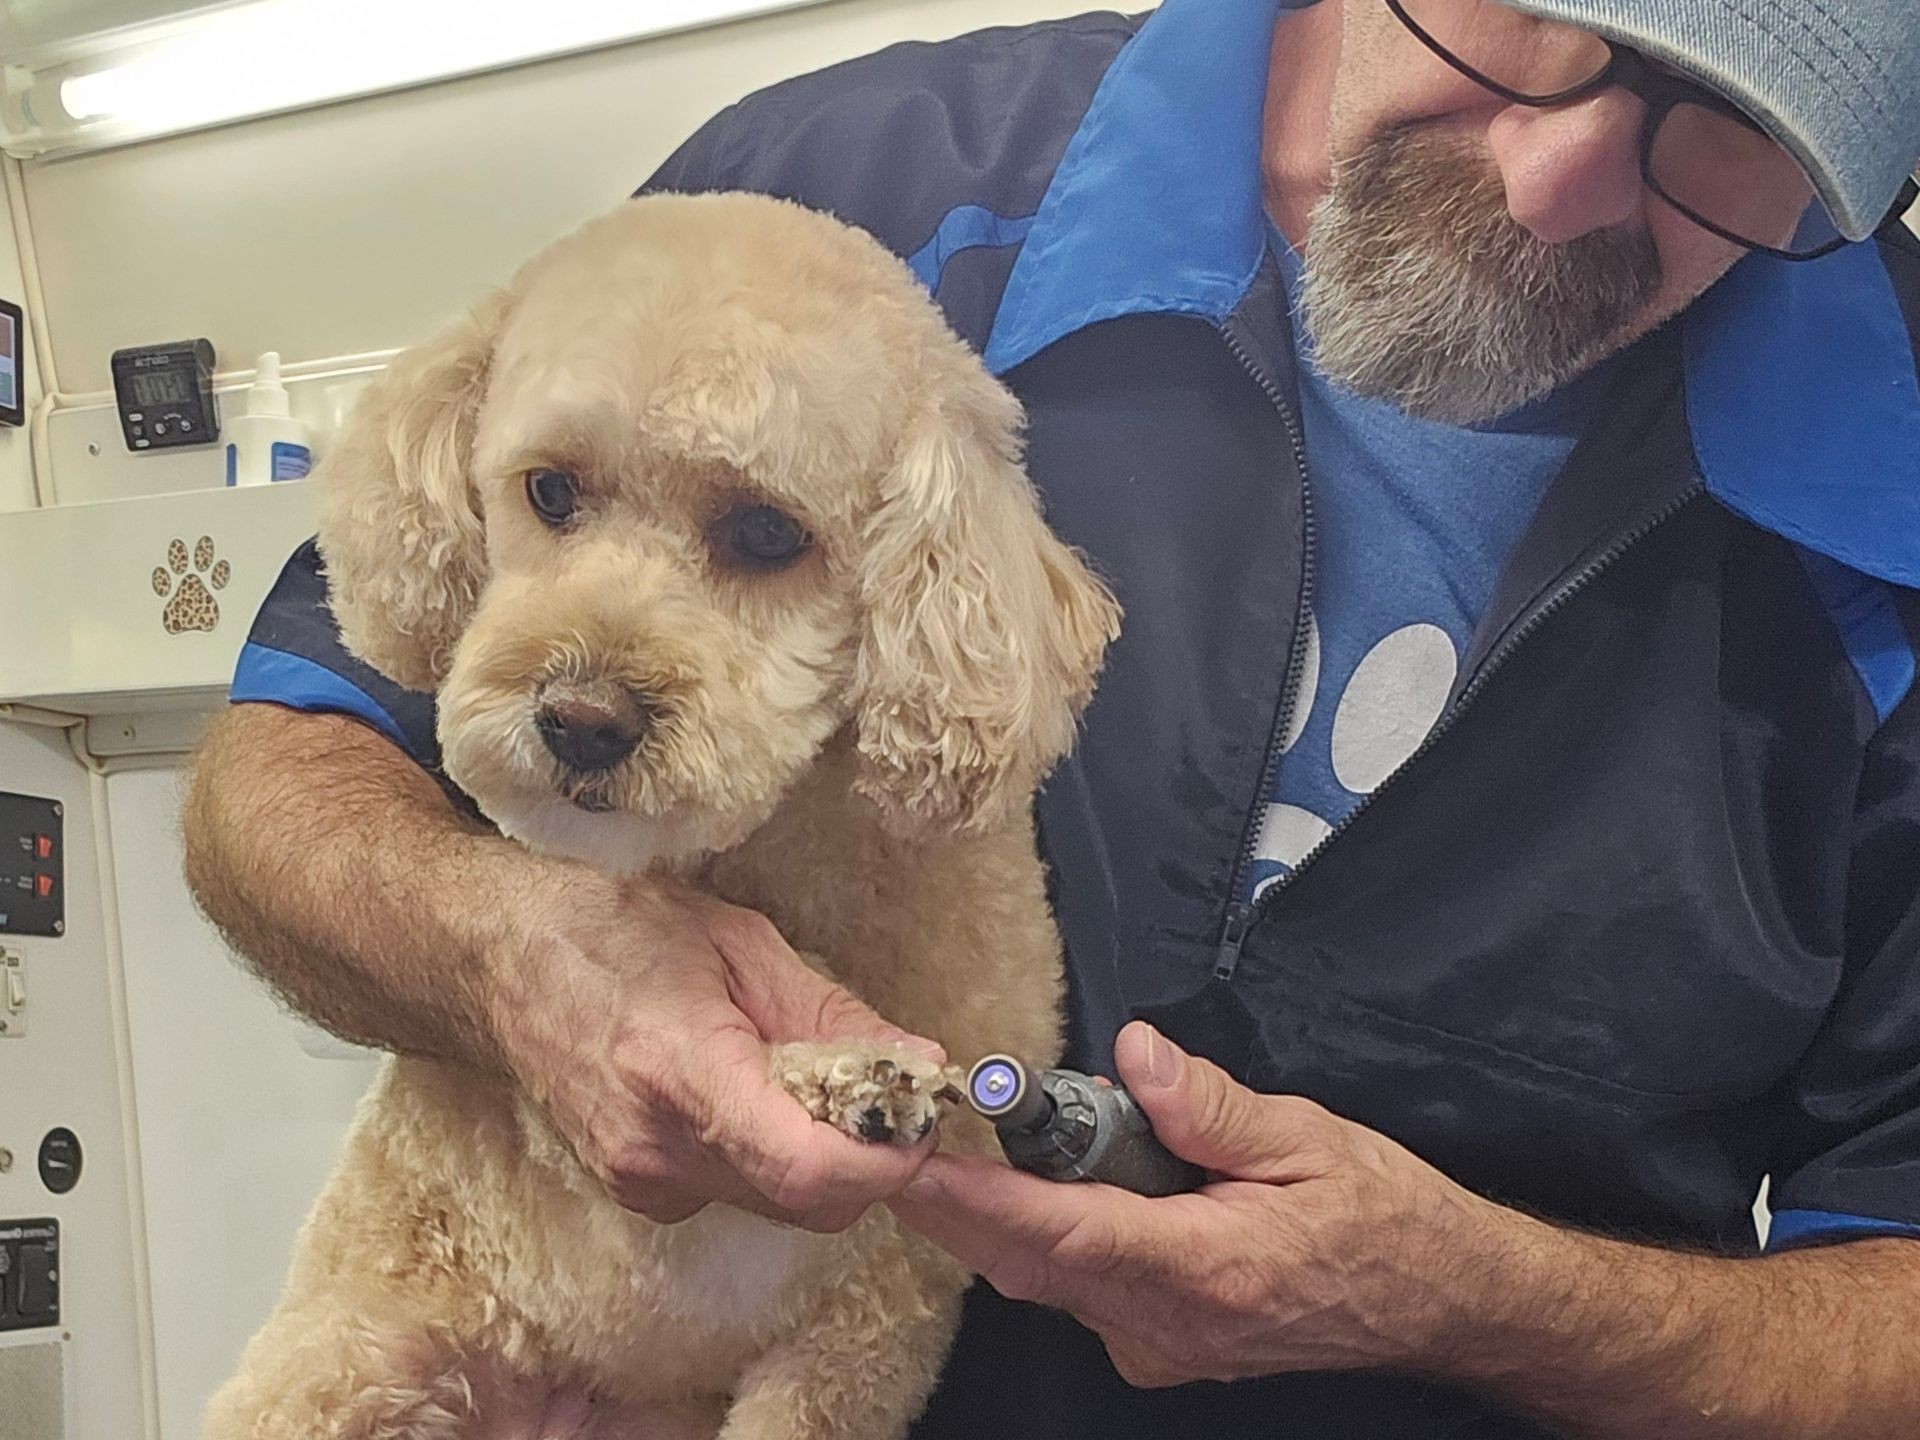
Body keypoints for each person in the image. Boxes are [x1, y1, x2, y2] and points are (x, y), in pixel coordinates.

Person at [186, 0, 1920, 1433]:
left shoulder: (1890, 485)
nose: (1556, 183)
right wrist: (523, 958)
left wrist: (1495, 1304)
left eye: (1732, 128)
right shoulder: (839, 205)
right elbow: (292, 764)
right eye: (1526, 18)